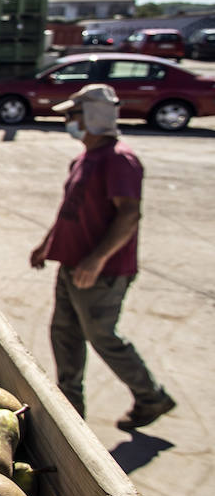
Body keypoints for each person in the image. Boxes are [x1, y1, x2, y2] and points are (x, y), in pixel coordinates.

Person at [29, 83, 175, 430]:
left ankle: (151, 395)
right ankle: (70, 411)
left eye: (72, 115)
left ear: (93, 116)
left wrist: (96, 260)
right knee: (64, 334)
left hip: (101, 272)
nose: (68, 121)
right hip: (71, 266)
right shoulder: (84, 159)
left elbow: (129, 216)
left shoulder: (119, 160)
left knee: (102, 336)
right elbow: (71, 209)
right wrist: (47, 244)